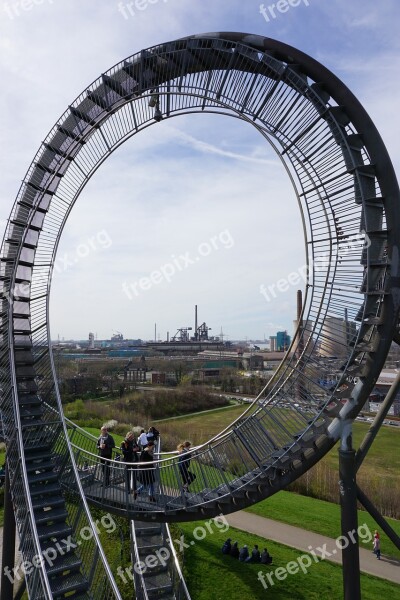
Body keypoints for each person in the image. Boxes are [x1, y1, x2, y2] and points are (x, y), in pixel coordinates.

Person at [120, 431, 140, 498]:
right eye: (130, 437)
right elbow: (124, 452)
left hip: (134, 461)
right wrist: (132, 450)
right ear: (127, 437)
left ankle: (134, 490)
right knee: (127, 476)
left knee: (134, 476)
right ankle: (128, 490)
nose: (132, 438)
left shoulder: (134, 441)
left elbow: (138, 448)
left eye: (132, 437)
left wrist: (138, 449)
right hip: (127, 461)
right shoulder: (124, 443)